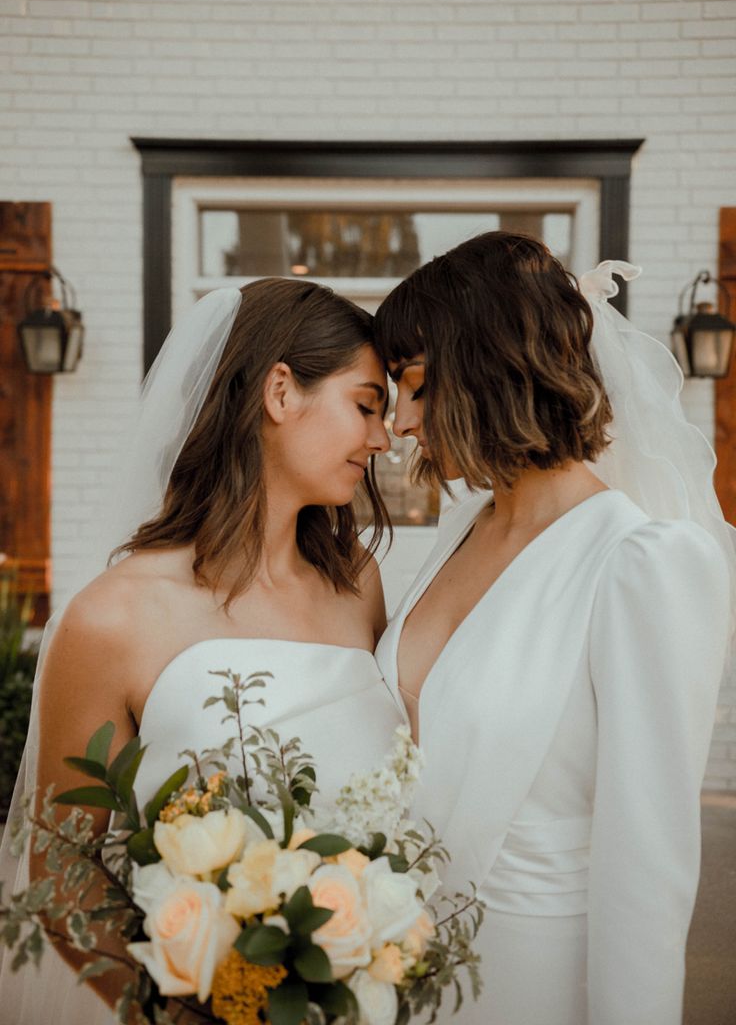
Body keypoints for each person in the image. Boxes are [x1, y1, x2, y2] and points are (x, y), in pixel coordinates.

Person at [0, 278, 404, 1023]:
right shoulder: (112, 618)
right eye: (367, 404)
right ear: (281, 392)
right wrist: (191, 1013)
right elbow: (59, 873)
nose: (383, 438)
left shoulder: (359, 587)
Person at [373, 232, 734, 1025]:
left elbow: (648, 863)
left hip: (531, 977)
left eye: (416, 386)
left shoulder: (644, 560)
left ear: (489, 367)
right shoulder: (463, 527)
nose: (398, 423)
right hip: (394, 965)